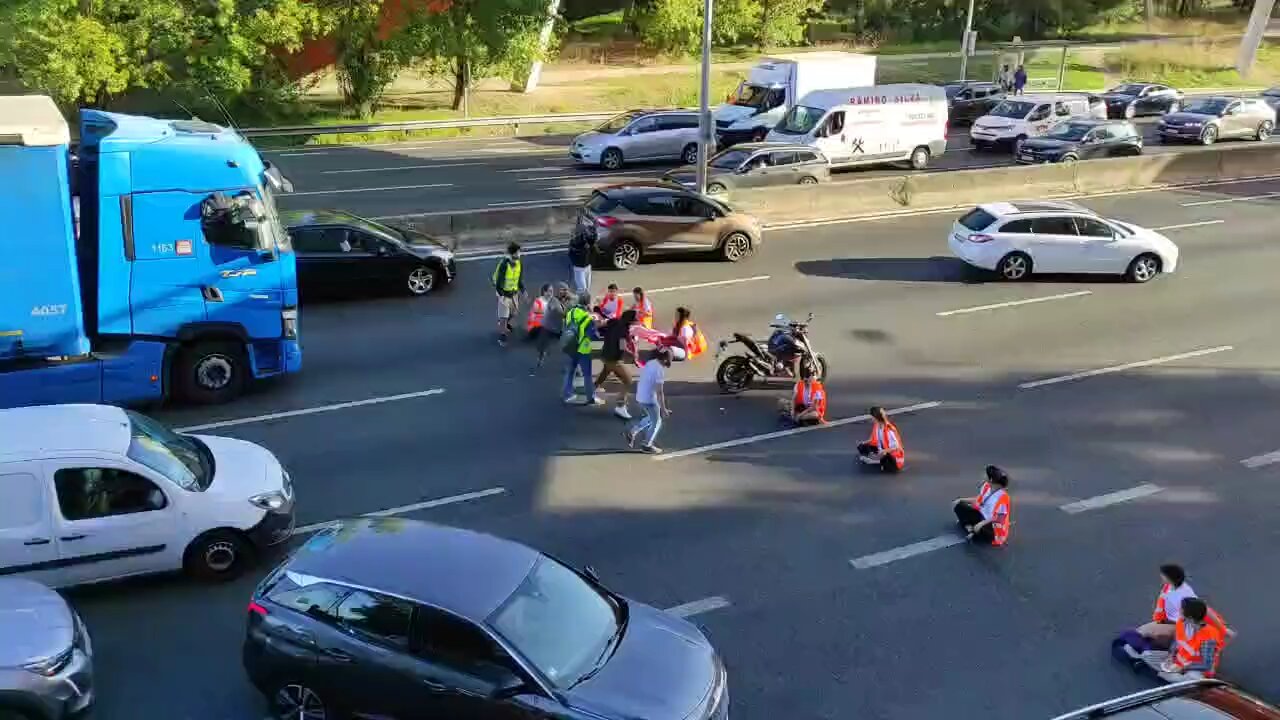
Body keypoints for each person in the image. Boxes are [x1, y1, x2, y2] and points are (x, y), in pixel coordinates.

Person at [1139, 598, 1229, 682]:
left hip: (1195, 669)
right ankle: (1170, 676)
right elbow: (1176, 641)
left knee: (1193, 677)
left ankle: (1171, 677)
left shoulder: (1208, 635)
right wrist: (1171, 655)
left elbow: (1206, 665)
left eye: (1181, 610)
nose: (1179, 611)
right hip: (1178, 662)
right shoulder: (1181, 623)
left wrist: (1184, 668)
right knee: (1147, 655)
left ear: (1189, 617)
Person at [1137, 564, 1197, 649]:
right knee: (1140, 631)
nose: (1161, 577)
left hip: (1180, 626)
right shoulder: (1169, 587)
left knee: (1146, 634)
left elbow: (1193, 616)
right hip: (1169, 620)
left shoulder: (1185, 595)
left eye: (1163, 576)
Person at [626, 347, 672, 454]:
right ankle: (647, 445)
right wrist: (663, 409)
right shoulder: (659, 370)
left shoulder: (651, 363)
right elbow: (659, 392)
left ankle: (632, 431)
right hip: (649, 399)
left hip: (640, 396)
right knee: (657, 421)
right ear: (666, 359)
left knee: (651, 417)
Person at [952, 466, 1011, 545]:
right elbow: (978, 499)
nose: (983, 476)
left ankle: (972, 529)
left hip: (991, 525)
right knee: (959, 506)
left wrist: (981, 524)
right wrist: (961, 499)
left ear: (991, 479)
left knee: (982, 529)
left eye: (985, 475)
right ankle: (972, 530)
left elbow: (999, 518)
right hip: (981, 515)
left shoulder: (1003, 497)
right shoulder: (986, 486)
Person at [562, 292, 602, 406]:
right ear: (588, 302)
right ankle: (591, 398)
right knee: (587, 374)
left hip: (571, 345)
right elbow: (593, 335)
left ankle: (567, 394)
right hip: (583, 348)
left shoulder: (571, 312)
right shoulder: (588, 317)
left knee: (570, 371)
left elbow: (566, 325)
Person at [596, 309, 637, 420]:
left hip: (605, 354)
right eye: (634, 321)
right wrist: (633, 356)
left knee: (606, 371)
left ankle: (592, 390)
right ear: (630, 321)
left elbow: (600, 324)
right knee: (628, 380)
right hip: (613, 359)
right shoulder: (624, 330)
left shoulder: (614, 321)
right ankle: (620, 406)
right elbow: (622, 347)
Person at [530, 284, 568, 373]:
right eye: (549, 291)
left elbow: (562, 312)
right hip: (548, 327)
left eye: (551, 291)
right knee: (542, 346)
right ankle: (540, 360)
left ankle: (571, 366)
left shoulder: (558, 300)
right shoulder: (548, 301)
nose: (550, 293)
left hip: (558, 327)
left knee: (566, 347)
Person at [492, 242, 524, 347]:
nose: (520, 254)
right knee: (504, 316)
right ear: (513, 253)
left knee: (514, 313)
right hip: (504, 294)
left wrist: (523, 290)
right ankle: (502, 337)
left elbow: (518, 279)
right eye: (518, 252)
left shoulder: (518, 263)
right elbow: (499, 282)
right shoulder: (504, 265)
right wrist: (501, 296)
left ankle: (504, 323)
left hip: (513, 293)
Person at [857, 406, 904, 473]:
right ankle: (877, 459)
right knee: (861, 447)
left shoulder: (888, 430)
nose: (871, 418)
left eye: (872, 417)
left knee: (887, 462)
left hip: (892, 456)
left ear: (876, 418)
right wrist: (864, 442)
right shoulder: (877, 425)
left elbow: (896, 446)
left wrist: (882, 452)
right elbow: (874, 438)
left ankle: (875, 461)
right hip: (882, 449)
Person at [568, 230, 594, 295]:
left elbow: (593, 240)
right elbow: (570, 254)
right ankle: (578, 302)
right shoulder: (574, 243)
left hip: (587, 267)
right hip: (579, 269)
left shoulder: (587, 239)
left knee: (587, 289)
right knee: (582, 289)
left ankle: (586, 302)